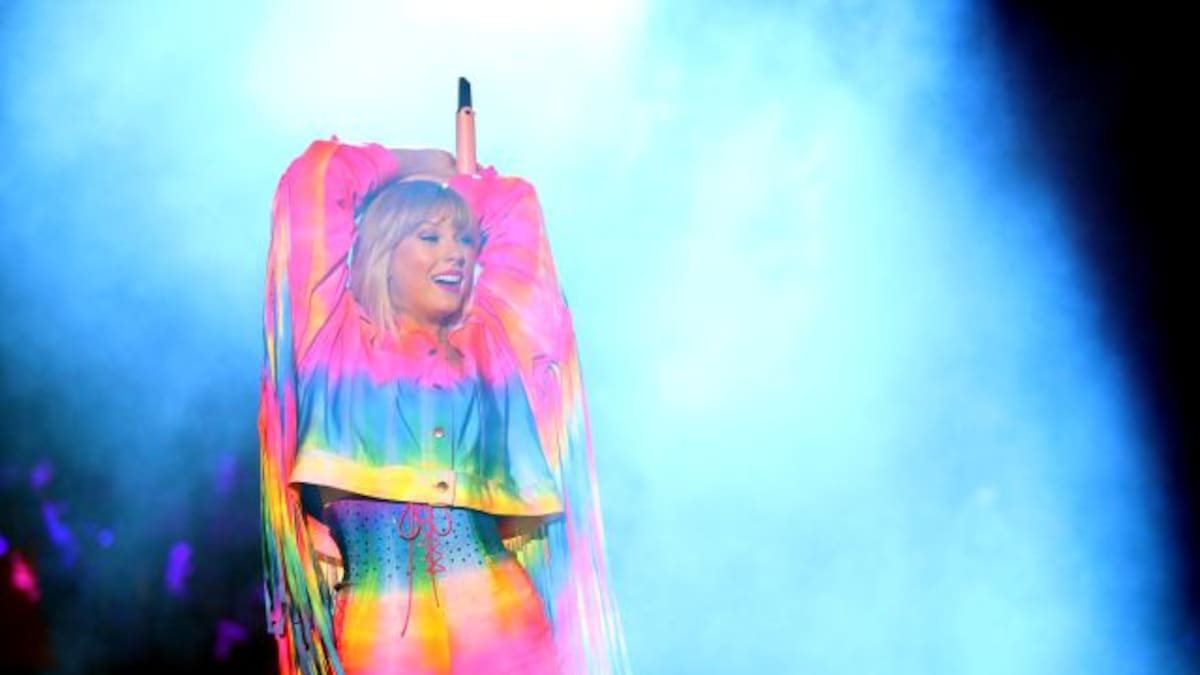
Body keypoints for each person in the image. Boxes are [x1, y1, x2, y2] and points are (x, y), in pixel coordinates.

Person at [258, 137, 629, 674]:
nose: (456, 252)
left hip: (502, 617)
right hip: (382, 628)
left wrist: (463, 183)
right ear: (382, 254)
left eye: (465, 239)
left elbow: (516, 207)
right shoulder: (330, 334)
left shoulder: (492, 343)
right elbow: (314, 180)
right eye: (429, 237)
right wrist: (424, 164)